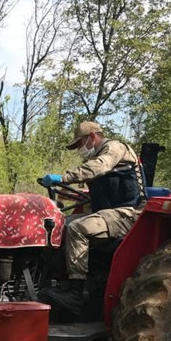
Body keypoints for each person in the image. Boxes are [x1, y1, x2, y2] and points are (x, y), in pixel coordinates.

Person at [40, 121, 146, 314]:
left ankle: (76, 292)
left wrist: (62, 178)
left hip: (129, 213)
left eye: (79, 144)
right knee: (60, 224)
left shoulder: (114, 148)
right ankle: (55, 281)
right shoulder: (98, 157)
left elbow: (98, 168)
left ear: (92, 137)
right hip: (108, 213)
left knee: (78, 228)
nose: (79, 150)